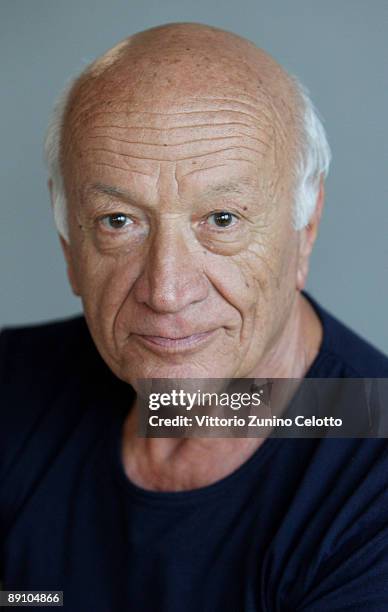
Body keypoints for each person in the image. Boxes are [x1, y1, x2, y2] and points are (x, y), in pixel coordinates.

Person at [1, 22, 388, 611]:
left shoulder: (370, 471)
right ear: (68, 246)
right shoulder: (12, 386)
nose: (167, 291)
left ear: (304, 230)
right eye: (118, 221)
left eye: (223, 220)